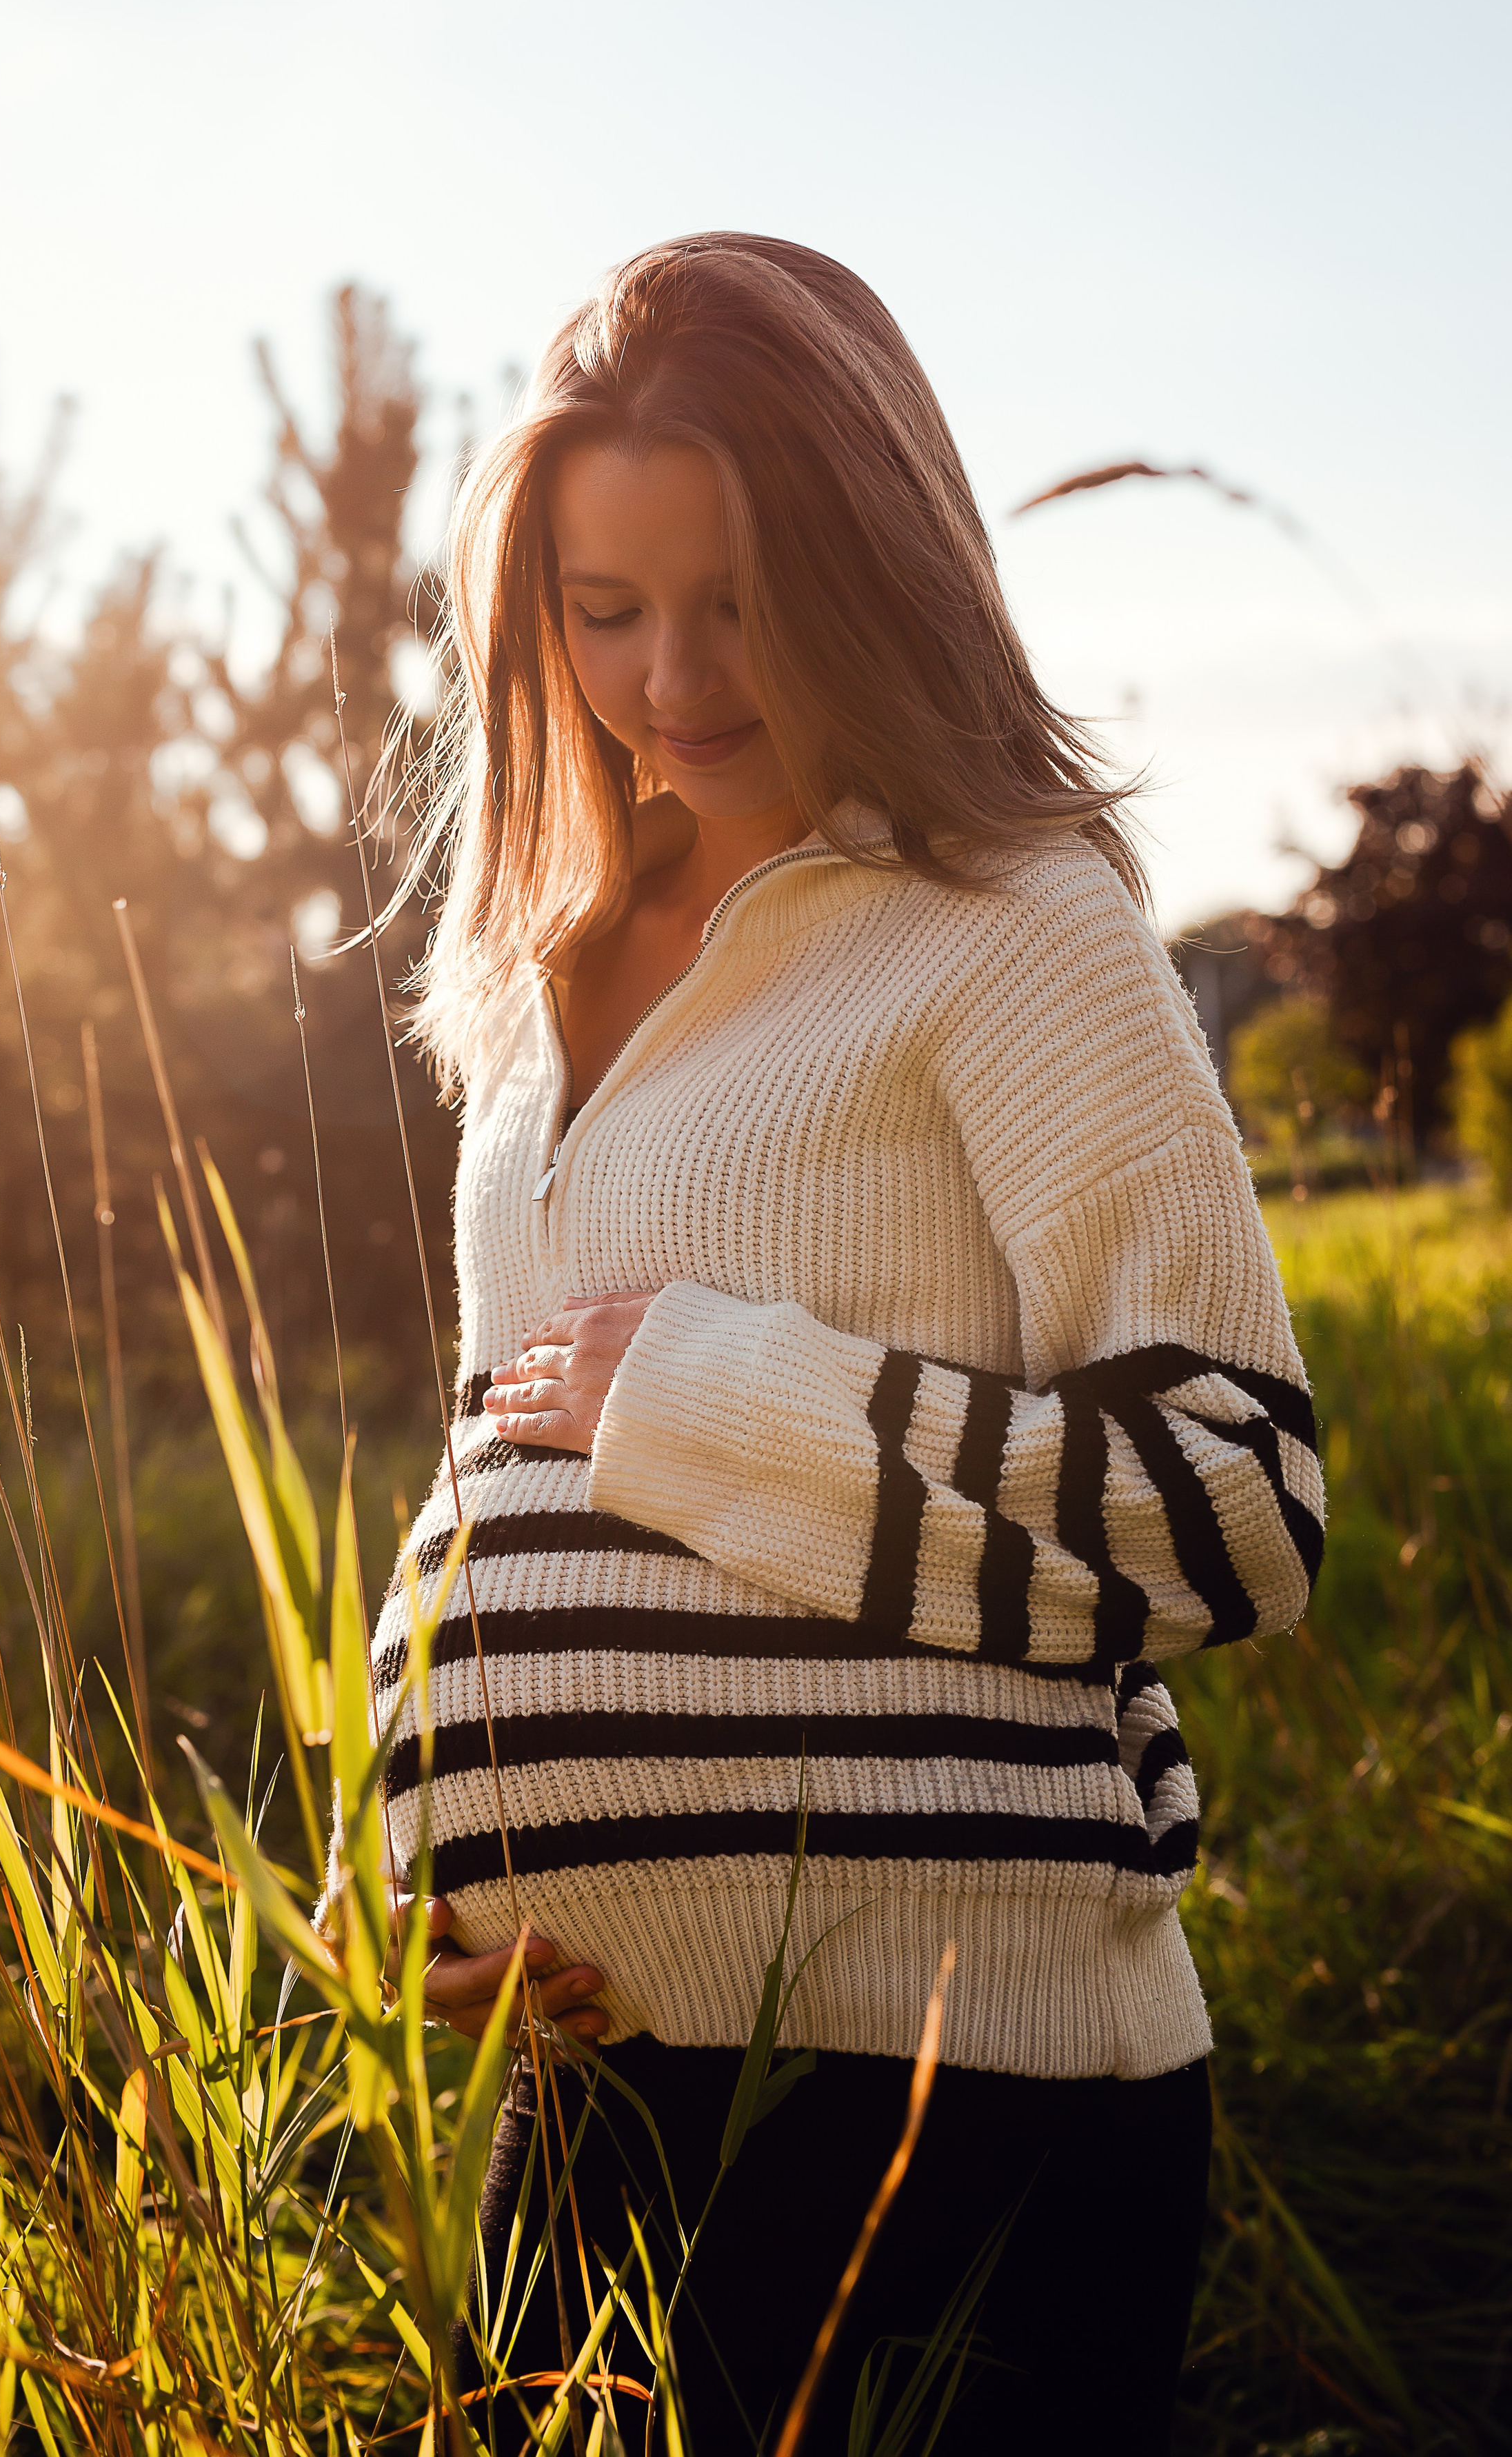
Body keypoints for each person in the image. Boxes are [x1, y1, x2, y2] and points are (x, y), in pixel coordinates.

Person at [356, 233, 1323, 2454]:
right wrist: (419, 1854)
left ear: (877, 566)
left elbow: (1236, 1503)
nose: (674, 677)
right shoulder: (531, 972)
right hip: (579, 2081)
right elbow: (511, 1475)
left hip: (950, 2094)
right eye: (607, 610)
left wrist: (710, 1392)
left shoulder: (1018, 921)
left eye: (741, 600)